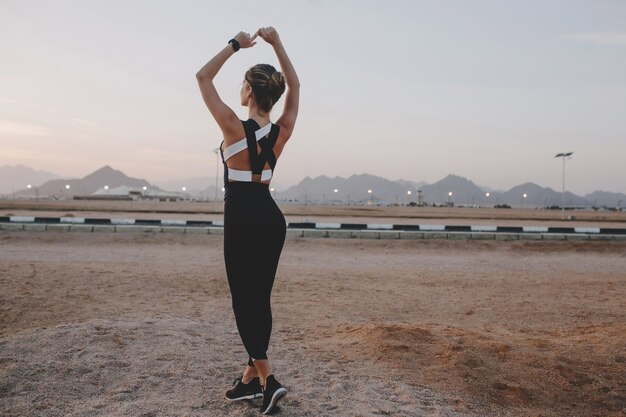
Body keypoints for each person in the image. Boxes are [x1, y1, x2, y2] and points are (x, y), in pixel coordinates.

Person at [195, 26, 300, 415]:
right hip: (272, 218)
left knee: (243, 302)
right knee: (260, 300)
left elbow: (202, 77)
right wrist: (278, 45)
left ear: (250, 92)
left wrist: (235, 45)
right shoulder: (282, 132)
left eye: (243, 84)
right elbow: (297, 85)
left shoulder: (232, 127)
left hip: (241, 217)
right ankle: (248, 382)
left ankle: (269, 380)